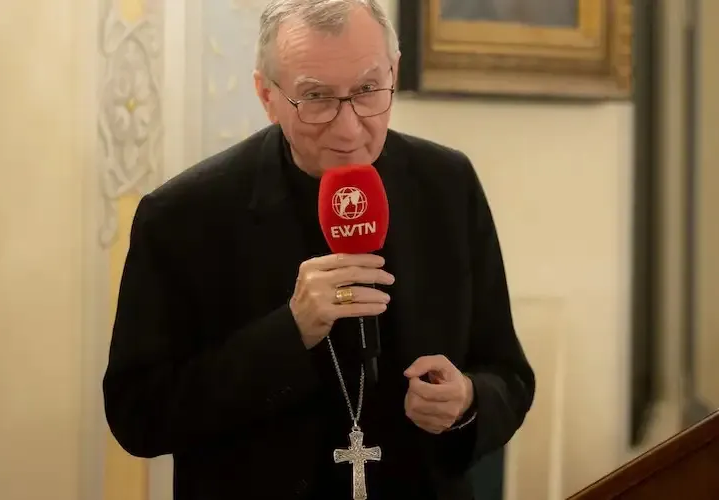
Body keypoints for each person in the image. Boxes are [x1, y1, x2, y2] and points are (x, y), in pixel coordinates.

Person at [102, 1, 535, 499]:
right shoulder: (181, 216)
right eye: (316, 97)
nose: (348, 129)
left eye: (368, 90)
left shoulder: (448, 184)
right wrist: (289, 332)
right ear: (267, 96)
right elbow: (138, 415)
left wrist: (467, 401)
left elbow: (509, 375)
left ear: (393, 73)